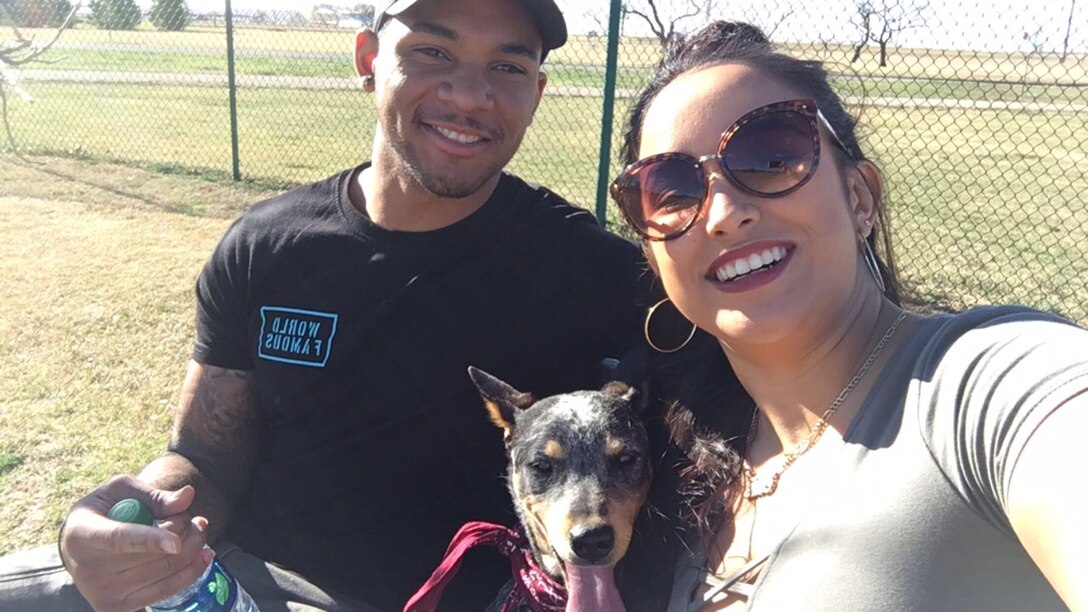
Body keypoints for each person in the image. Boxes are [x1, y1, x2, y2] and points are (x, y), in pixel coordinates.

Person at [0, 0, 653, 610]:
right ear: (369, 60)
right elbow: (204, 458)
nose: (468, 94)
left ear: (536, 94)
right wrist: (144, 518)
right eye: (432, 52)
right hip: (255, 585)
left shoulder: (598, 271)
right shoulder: (266, 247)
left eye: (507, 66)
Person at [609, 21, 1088, 611]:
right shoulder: (680, 464)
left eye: (770, 155)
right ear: (656, 261)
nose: (724, 214)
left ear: (860, 197)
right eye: (673, 190)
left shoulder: (983, 388)